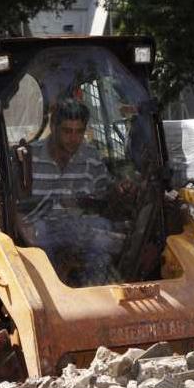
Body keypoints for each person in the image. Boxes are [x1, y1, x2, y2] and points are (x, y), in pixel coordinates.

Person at [20, 97, 124, 286]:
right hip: (41, 228)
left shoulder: (91, 157)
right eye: (67, 131)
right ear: (53, 127)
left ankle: (95, 290)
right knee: (39, 239)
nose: (74, 139)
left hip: (77, 225)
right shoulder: (30, 158)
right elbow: (12, 205)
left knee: (105, 230)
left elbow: (105, 192)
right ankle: (50, 290)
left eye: (79, 132)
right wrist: (22, 224)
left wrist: (119, 189)